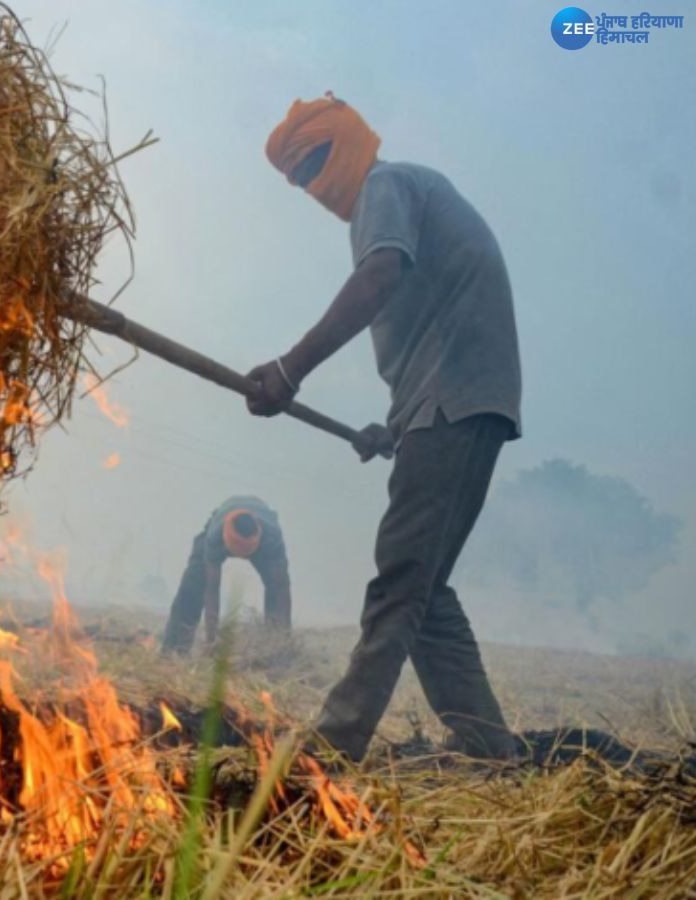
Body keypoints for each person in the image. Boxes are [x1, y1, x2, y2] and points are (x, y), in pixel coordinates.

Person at [246, 93, 522, 761]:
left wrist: (291, 367)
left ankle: (333, 745)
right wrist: (393, 429)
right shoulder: (405, 191)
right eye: (300, 177)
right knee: (424, 590)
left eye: (315, 162)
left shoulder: (385, 185)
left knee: (400, 578)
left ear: (347, 142)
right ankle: (491, 749)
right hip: (447, 408)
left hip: (452, 406)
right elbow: (434, 326)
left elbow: (379, 278)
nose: (314, 185)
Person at [161, 496, 291, 654]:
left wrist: (284, 639)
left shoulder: (271, 539)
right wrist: (212, 641)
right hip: (220, 524)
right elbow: (211, 589)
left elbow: (282, 588)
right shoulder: (215, 537)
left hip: (264, 539)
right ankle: (174, 650)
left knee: (276, 592)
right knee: (192, 585)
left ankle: (276, 650)